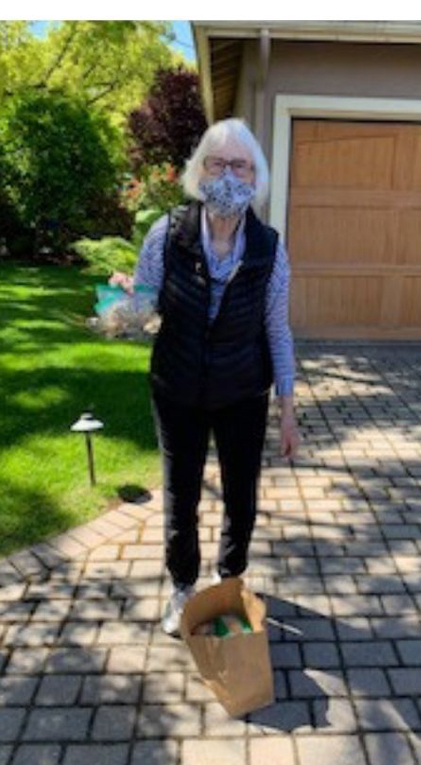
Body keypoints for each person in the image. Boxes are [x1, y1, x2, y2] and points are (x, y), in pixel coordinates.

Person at [114, 119, 299, 638]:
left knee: (242, 493)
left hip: (243, 389)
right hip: (177, 389)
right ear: (200, 171)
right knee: (182, 493)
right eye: (218, 163)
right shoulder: (166, 233)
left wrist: (288, 412)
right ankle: (182, 588)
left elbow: (278, 330)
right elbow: (144, 300)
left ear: (254, 176)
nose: (228, 175)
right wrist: (121, 311)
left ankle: (230, 581)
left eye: (240, 165)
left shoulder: (269, 248)